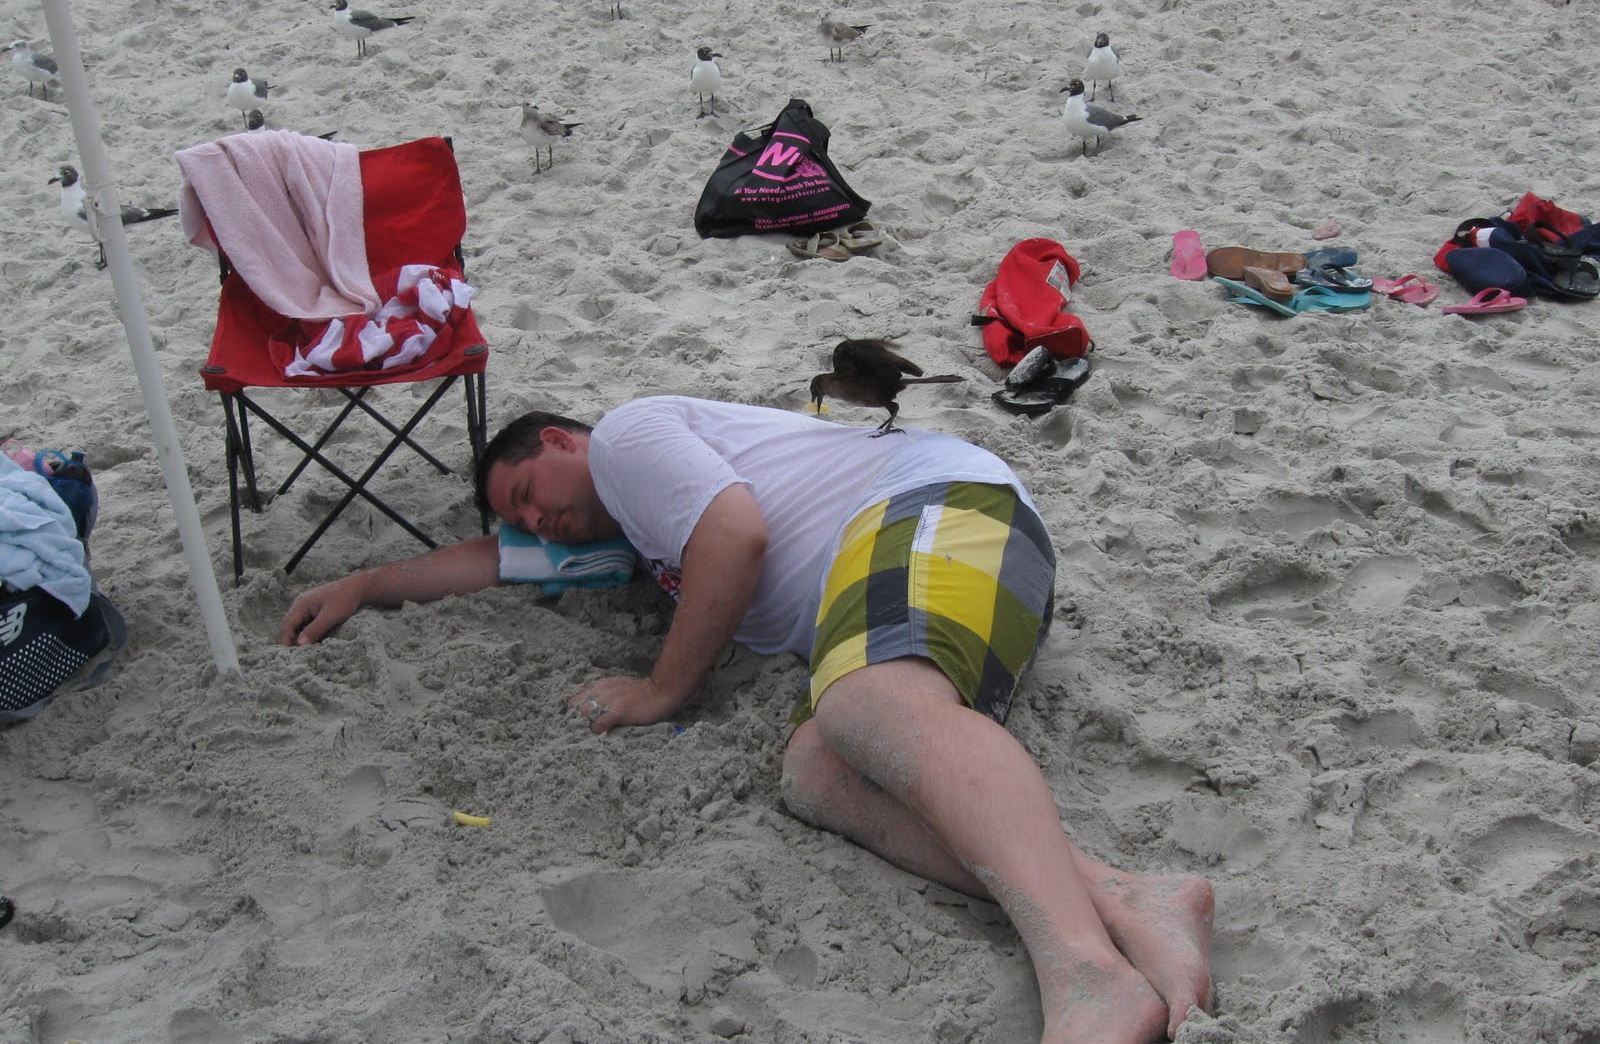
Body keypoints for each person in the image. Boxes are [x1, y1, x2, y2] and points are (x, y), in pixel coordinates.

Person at [280, 396, 1214, 1043]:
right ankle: (1122, 897)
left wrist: (660, 691)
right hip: (921, 574)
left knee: (863, 704)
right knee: (817, 772)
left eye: (529, 494)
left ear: (563, 439)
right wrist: (367, 583)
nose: (540, 523)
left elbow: (737, 534)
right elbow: (493, 560)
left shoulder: (629, 441)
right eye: (524, 519)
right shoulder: (637, 537)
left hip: (940, 510)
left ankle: (1086, 971)